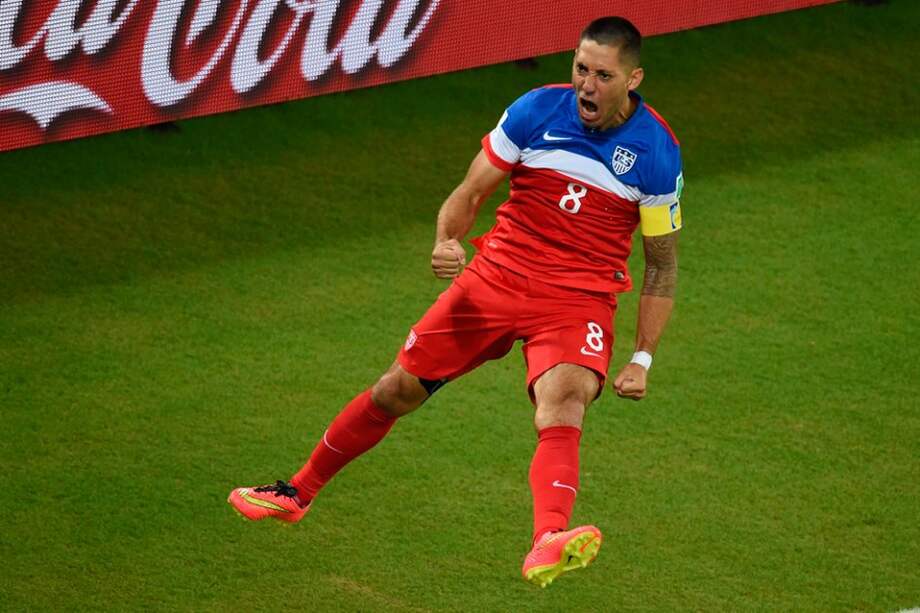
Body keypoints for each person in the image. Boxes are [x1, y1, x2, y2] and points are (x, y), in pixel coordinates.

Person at [229, 15, 682, 588]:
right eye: (580, 69)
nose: (586, 86)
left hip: (576, 299)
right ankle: (296, 493)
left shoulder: (657, 152)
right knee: (394, 391)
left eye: (603, 76)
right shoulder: (536, 111)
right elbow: (470, 192)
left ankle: (548, 538)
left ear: (633, 79)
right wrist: (447, 240)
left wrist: (642, 359)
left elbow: (662, 265)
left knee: (564, 405)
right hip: (495, 278)